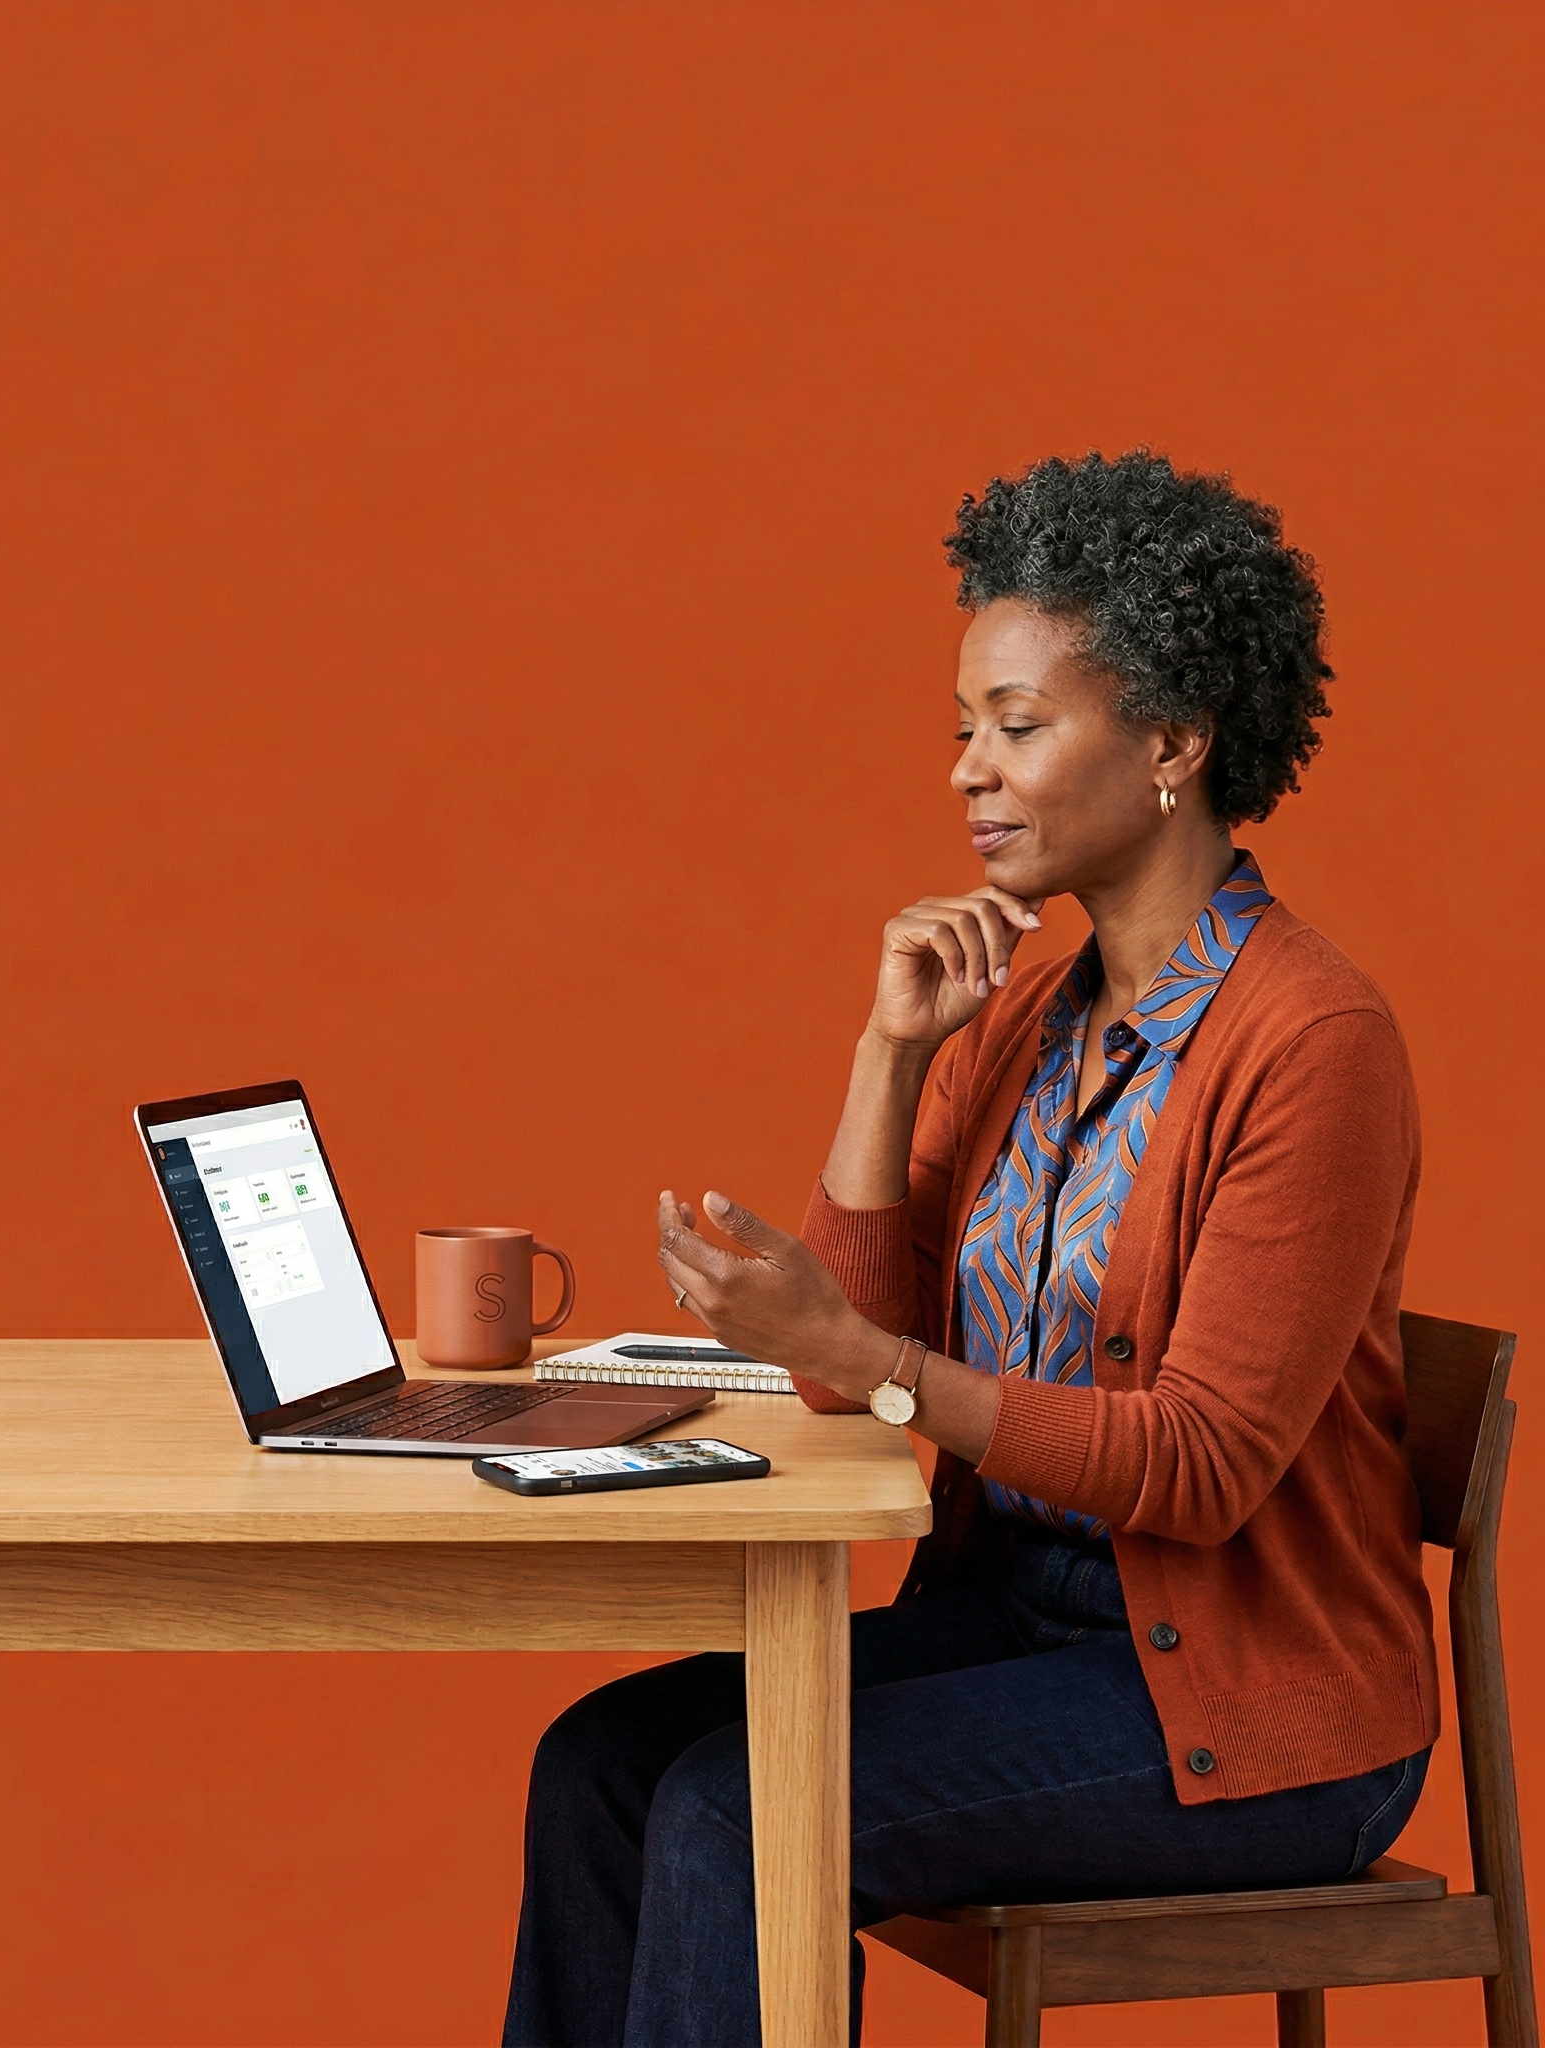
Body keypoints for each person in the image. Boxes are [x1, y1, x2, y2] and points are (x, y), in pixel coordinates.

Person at [502, 450, 1437, 2048]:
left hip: (1248, 1711)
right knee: (602, 1765)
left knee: (742, 1811)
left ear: (1171, 745)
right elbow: (835, 1363)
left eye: (1017, 726)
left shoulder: (1311, 1041)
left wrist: (872, 1368)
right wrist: (891, 1057)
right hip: (1021, 1627)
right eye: (963, 731)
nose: (968, 773)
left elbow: (1200, 1466)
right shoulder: (1027, 1019)